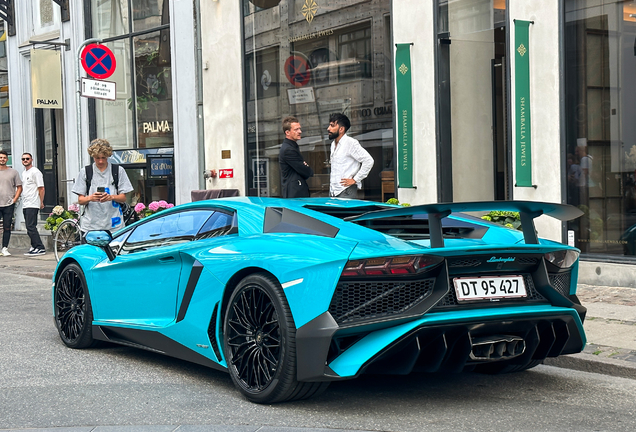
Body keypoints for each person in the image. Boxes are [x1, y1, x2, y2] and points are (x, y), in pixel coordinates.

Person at [72, 139, 133, 232]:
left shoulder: (118, 171)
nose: (100, 161)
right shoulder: (85, 172)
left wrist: (111, 197)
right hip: (90, 226)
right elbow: (80, 200)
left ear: (108, 156)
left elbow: (123, 198)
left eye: (103, 158)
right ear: (92, 156)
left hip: (115, 226)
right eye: (97, 158)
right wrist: (91, 198)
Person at [327, 113, 374, 199]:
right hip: (333, 191)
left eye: (332, 126)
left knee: (345, 213)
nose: (328, 129)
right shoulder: (333, 144)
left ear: (341, 129)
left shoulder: (351, 143)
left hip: (346, 190)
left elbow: (368, 160)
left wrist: (355, 179)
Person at [279, 116, 314, 198]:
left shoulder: (291, 147)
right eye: (296, 129)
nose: (300, 131)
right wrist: (306, 167)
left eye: (299, 129)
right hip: (294, 193)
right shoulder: (288, 150)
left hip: (295, 191)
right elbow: (306, 172)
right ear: (287, 132)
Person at [20, 153, 46, 256]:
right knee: (29, 226)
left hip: (33, 202)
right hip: (26, 203)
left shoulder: (35, 172)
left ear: (32, 159)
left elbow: (41, 188)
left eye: (27, 158)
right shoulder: (24, 173)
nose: (25, 160)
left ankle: (40, 247)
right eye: (23, 159)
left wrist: (41, 201)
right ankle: (34, 246)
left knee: (31, 226)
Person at [0, 150, 22, 256]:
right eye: (0, 157)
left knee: (7, 226)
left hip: (8, 203)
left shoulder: (13, 172)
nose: (2, 159)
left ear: (7, 159)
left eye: (4, 157)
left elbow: (19, 187)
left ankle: (4, 248)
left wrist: (15, 199)